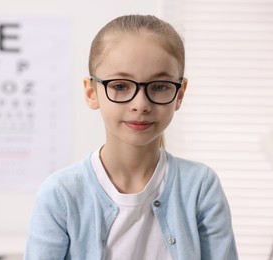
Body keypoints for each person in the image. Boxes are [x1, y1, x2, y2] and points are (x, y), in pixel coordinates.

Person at [24, 14, 238, 260]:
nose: (140, 104)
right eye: (120, 85)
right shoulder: (60, 194)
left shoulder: (200, 186)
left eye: (159, 87)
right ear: (91, 92)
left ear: (180, 94)